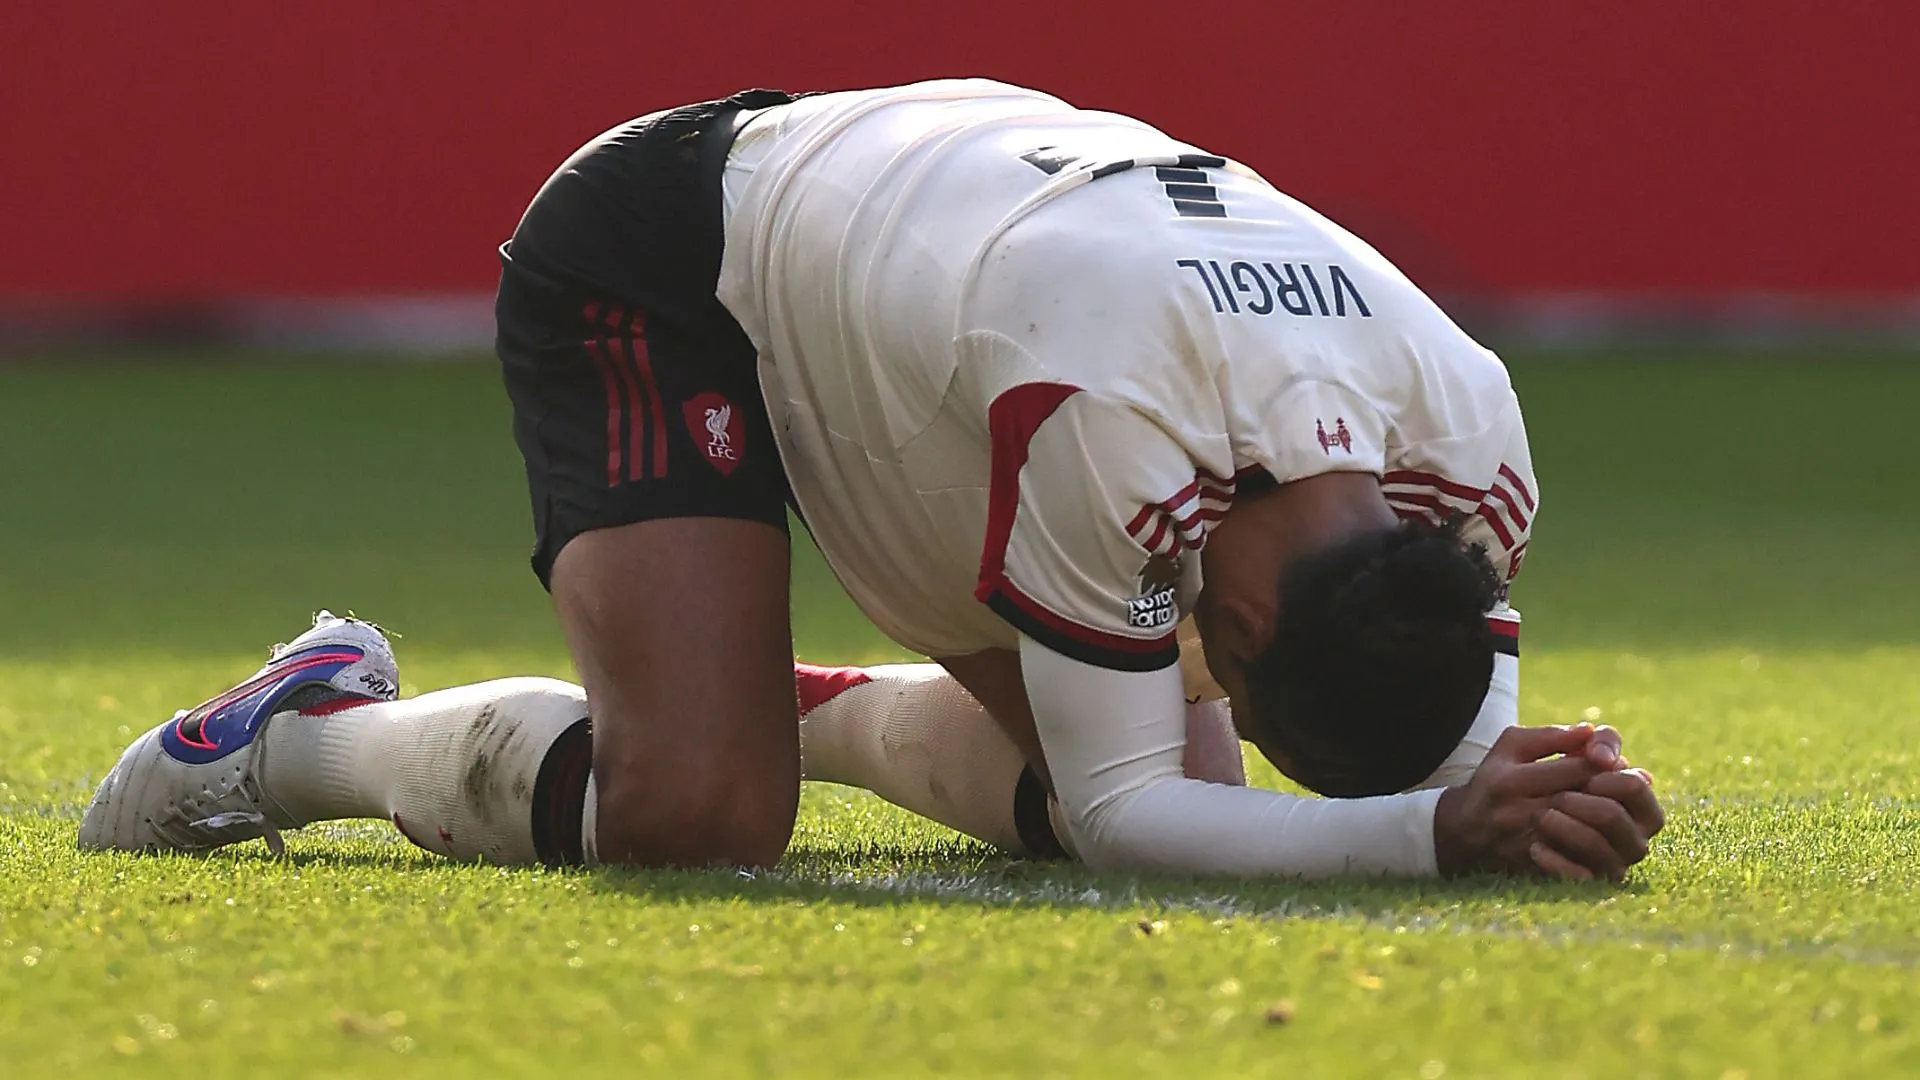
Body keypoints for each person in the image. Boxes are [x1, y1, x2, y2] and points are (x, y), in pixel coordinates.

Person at [80, 79, 1662, 881]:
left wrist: (1524, 791)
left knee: (1137, 806)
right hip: (679, 253)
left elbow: (1437, 704)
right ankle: (301, 738)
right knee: (697, 809)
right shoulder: (1106, 418)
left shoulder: (1471, 437)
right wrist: (1438, 834)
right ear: (1232, 640)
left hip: (945, 269)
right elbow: (1135, 813)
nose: (1219, 693)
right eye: (1228, 680)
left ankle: (790, 701)